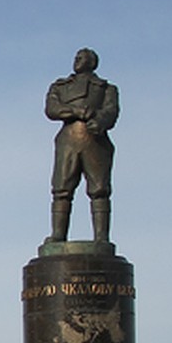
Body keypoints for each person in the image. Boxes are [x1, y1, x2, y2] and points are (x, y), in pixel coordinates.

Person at [44, 47, 119, 243]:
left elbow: (111, 112)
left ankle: (101, 238)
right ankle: (58, 235)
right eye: (76, 57)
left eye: (82, 58)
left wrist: (100, 121)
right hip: (68, 140)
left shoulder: (106, 89)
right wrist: (75, 111)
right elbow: (52, 109)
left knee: (100, 189)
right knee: (61, 189)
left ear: (92, 62)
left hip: (95, 140)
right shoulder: (60, 87)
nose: (77, 60)